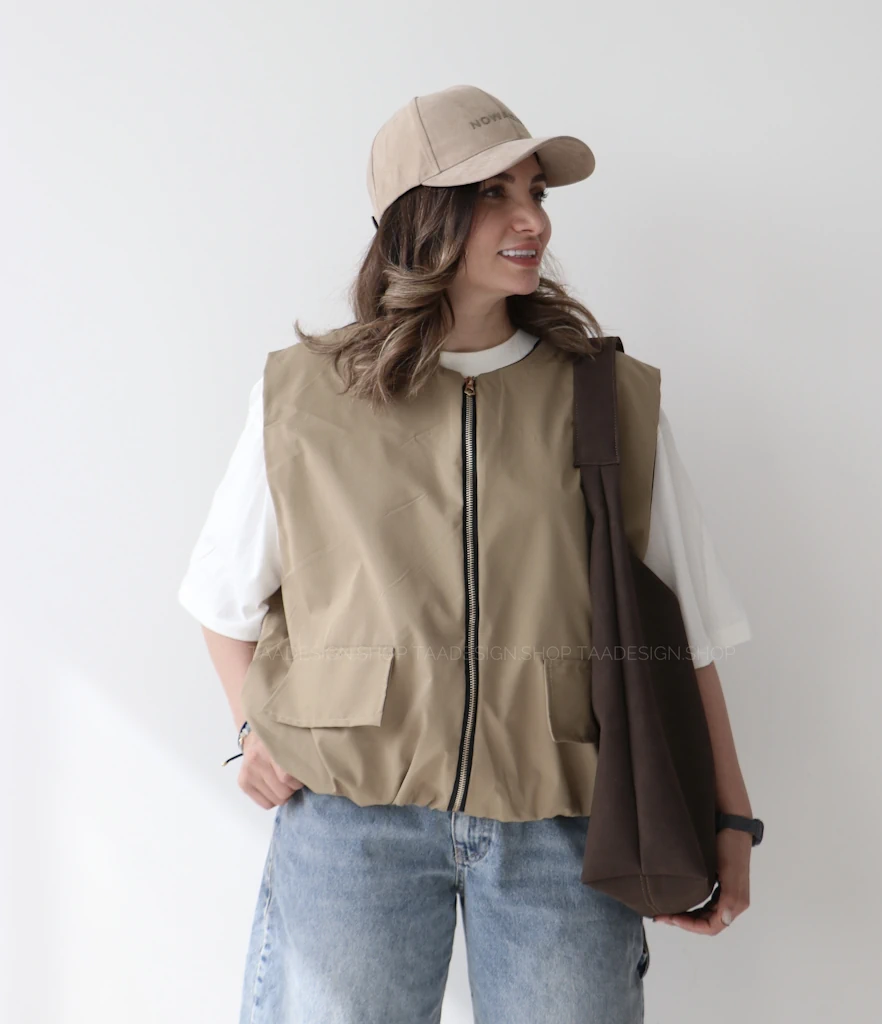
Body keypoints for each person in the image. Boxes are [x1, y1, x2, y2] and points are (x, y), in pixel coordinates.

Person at [178, 84, 758, 1024]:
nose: (533, 220)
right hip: (351, 823)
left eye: (536, 193)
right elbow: (222, 599)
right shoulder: (308, 396)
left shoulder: (609, 397)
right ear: (422, 217)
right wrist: (252, 730)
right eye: (495, 194)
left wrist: (732, 818)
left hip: (563, 828)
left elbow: (684, 632)